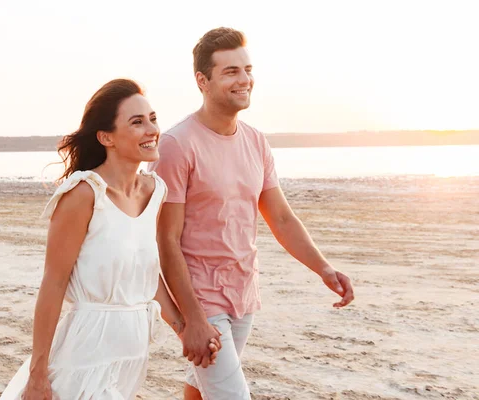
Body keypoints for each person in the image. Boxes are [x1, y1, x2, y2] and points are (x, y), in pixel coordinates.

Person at [148, 27, 355, 400]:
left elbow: (281, 217)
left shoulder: (256, 141)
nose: (244, 80)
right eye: (230, 71)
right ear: (202, 81)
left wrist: (324, 268)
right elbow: (166, 239)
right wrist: (191, 319)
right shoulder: (177, 145)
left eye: (247, 69)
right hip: (201, 297)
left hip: (243, 292)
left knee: (200, 389)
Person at [0, 79, 219, 400]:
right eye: (137, 122)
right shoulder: (85, 193)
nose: (152, 130)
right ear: (106, 137)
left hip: (131, 354)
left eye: (152, 119)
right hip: (85, 353)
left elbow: (144, 272)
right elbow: (53, 283)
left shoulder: (155, 190)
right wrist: (37, 374)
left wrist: (183, 328)